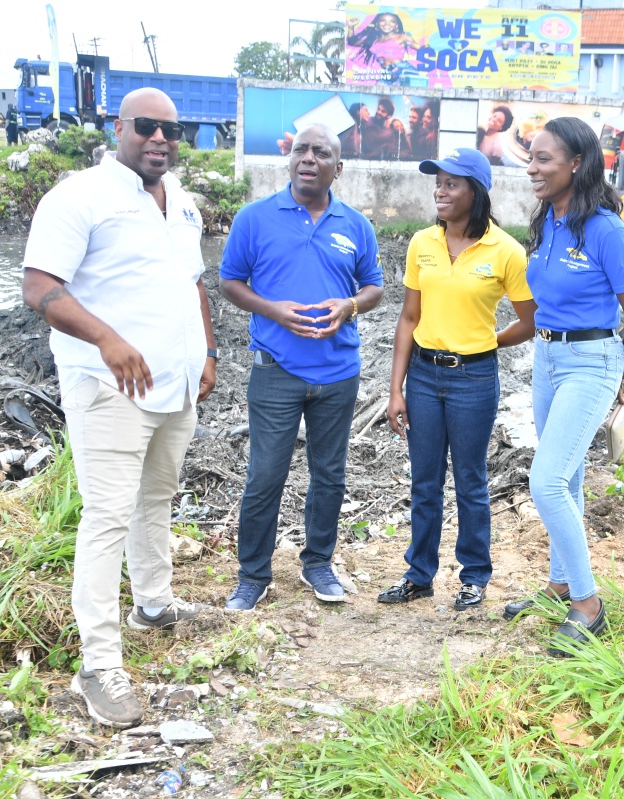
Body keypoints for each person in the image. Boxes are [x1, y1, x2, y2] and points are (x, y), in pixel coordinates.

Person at [21, 88, 216, 728]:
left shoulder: (181, 202)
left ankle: (153, 603)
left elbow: (192, 286)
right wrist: (107, 339)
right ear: (118, 126)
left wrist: (206, 355)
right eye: (147, 126)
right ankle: (98, 664)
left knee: (155, 499)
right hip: (107, 387)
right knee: (106, 515)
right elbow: (39, 287)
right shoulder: (78, 197)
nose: (160, 137)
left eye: (172, 128)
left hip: (176, 385)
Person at [502, 117, 624, 656]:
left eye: (545, 159)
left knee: (544, 482)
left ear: (577, 164)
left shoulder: (605, 229)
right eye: (531, 157)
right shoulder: (547, 220)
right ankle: (559, 586)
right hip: (546, 357)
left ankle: (589, 606)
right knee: (564, 481)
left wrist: (619, 374)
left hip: (592, 360)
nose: (533, 168)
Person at [219, 123, 384, 612]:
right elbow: (230, 281)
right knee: (265, 475)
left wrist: (349, 307)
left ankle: (318, 564)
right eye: (300, 150)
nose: (308, 158)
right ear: (289, 159)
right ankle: (253, 575)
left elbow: (374, 286)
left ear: (339, 166)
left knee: (329, 474)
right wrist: (274, 310)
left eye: (321, 152)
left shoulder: (356, 225)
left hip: (337, 374)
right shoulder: (254, 218)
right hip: (274, 370)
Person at [378, 149, 535, 611]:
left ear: (476, 192)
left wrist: (487, 344)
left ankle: (474, 577)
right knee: (424, 482)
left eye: (451, 183)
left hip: (474, 380)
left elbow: (528, 320)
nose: (440, 191)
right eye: (438, 182)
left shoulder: (505, 250)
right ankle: (419, 576)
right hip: (424, 377)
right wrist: (396, 390)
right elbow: (408, 317)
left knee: (470, 480)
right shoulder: (422, 243)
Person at [347, 11, 420, 83]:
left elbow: (420, 48)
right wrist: (350, 26)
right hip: (386, 73)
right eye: (383, 21)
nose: (387, 24)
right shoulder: (373, 40)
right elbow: (352, 42)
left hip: (403, 69)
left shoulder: (402, 37)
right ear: (377, 24)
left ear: (396, 26)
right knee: (380, 92)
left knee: (406, 94)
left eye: (392, 22)